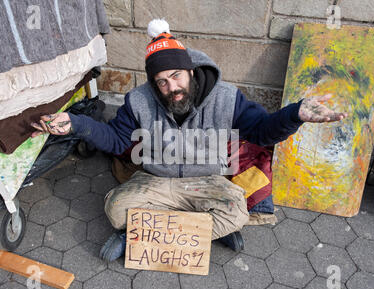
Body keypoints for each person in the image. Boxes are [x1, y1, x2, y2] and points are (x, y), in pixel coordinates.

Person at [32, 19, 348, 262]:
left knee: (236, 212)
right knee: (115, 208)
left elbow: (263, 131)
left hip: (207, 181)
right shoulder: (139, 101)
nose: (172, 88)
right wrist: (75, 123)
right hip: (156, 179)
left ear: (191, 72)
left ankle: (140, 236)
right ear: (154, 84)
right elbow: (116, 140)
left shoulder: (227, 98)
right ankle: (198, 231)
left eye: (177, 76)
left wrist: (295, 114)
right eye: (162, 82)